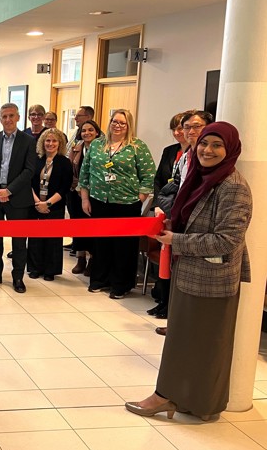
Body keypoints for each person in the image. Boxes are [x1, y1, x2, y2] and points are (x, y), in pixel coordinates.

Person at [125, 122, 252, 421]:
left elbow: (228, 240)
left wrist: (177, 240)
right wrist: (171, 226)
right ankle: (181, 399)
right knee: (184, 340)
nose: (207, 150)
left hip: (211, 279)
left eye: (217, 145)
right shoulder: (200, 176)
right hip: (189, 273)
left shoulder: (233, 186)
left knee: (206, 345)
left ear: (230, 149)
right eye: (204, 143)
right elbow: (193, 219)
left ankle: (182, 400)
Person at [79, 109, 155, 299]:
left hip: (126, 203)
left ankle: (121, 284)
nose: (117, 125)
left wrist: (141, 197)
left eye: (122, 123)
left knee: (124, 246)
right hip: (99, 200)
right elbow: (85, 172)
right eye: (115, 121)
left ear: (128, 125)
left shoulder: (137, 146)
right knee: (100, 243)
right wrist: (85, 198)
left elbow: (148, 175)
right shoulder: (97, 144)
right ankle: (100, 279)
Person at [151, 109, 214, 324]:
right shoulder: (185, 156)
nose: (190, 131)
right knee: (175, 271)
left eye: (196, 126)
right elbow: (172, 187)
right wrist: (164, 207)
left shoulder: (208, 158)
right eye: (186, 127)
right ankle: (174, 319)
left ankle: (180, 322)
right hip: (177, 220)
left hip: (198, 227)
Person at [0, 103, 37, 292]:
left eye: (11, 116)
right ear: (0, 118)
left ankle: (18, 278)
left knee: (19, 241)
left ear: (18, 117)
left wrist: (9, 191)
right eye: (4, 116)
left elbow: (29, 170)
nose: (8, 120)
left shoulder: (28, 141)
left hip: (18, 197)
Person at [27, 129, 72, 280]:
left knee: (52, 240)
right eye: (47, 140)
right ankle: (35, 268)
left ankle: (50, 270)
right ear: (42, 142)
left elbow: (65, 187)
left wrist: (47, 203)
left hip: (55, 206)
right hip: (35, 205)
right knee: (35, 238)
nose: (50, 144)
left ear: (60, 144)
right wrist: (38, 202)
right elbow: (29, 183)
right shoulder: (36, 160)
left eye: (54, 141)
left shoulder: (64, 162)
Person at [67, 120, 103, 275]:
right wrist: (78, 187)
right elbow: (71, 170)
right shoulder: (76, 149)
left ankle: (93, 260)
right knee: (78, 226)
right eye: (83, 130)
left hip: (94, 195)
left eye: (90, 130)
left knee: (92, 227)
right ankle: (80, 258)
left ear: (97, 132)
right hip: (75, 193)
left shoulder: (103, 150)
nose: (87, 133)